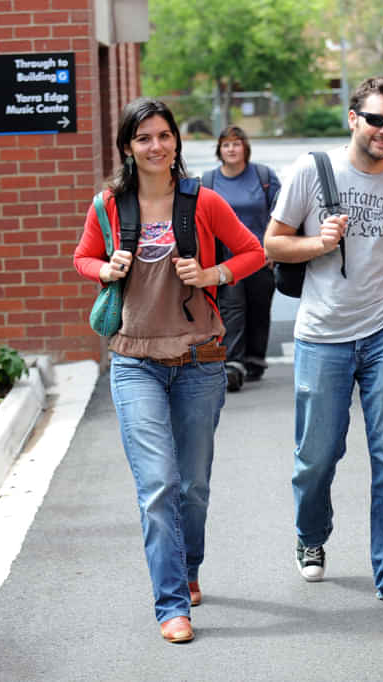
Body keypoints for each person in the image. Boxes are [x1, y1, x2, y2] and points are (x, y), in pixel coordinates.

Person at [73, 98, 265, 643]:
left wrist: (212, 273)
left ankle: (188, 567)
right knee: (159, 484)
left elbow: (253, 253)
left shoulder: (201, 201)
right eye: (143, 139)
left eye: (164, 136)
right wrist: (103, 266)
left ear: (176, 141)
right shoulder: (109, 205)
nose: (156, 146)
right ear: (128, 149)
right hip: (135, 361)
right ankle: (171, 605)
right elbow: (82, 257)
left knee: (193, 487)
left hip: (200, 360)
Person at [263, 76, 383, 609]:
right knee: (316, 457)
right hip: (322, 337)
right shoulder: (311, 171)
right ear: (353, 118)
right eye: (377, 120)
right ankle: (311, 534)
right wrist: (315, 242)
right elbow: (272, 243)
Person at [202, 125, 280, 392]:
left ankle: (254, 361)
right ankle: (233, 365)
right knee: (231, 310)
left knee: (259, 309)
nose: (231, 149)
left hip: (260, 257)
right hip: (226, 259)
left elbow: (280, 212)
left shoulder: (263, 176)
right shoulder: (209, 181)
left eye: (236, 144)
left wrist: (272, 247)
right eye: (226, 145)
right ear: (219, 150)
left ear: (245, 147)